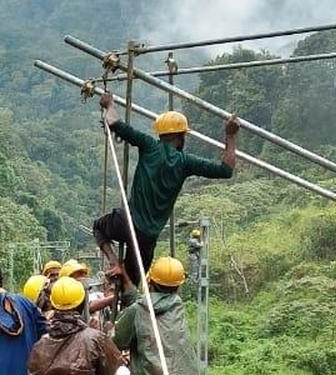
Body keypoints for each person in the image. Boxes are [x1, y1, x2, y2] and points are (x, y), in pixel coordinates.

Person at [94, 91, 239, 285]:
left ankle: (114, 263)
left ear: (161, 134)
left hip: (126, 222)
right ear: (181, 137)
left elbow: (115, 123)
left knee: (99, 227)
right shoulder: (185, 162)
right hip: (147, 236)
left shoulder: (149, 145)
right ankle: (125, 280)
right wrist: (230, 135)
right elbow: (226, 169)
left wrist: (109, 104)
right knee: (133, 285)